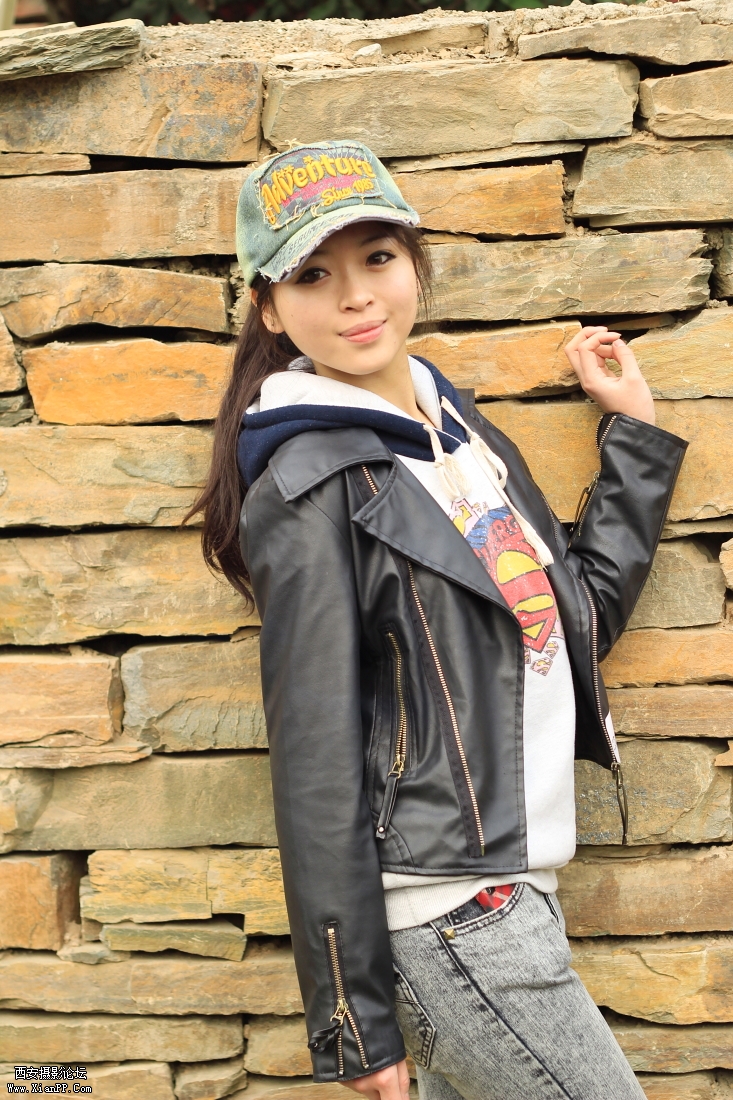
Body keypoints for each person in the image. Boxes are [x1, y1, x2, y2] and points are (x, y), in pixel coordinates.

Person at [188, 141, 687, 1100]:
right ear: (268, 308)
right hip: (450, 915)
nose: (355, 296)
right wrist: (353, 1019)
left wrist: (634, 440)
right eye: (312, 275)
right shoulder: (307, 484)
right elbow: (314, 757)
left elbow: (569, 624)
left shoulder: (458, 439)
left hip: (517, 895)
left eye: (377, 257)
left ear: (414, 265)